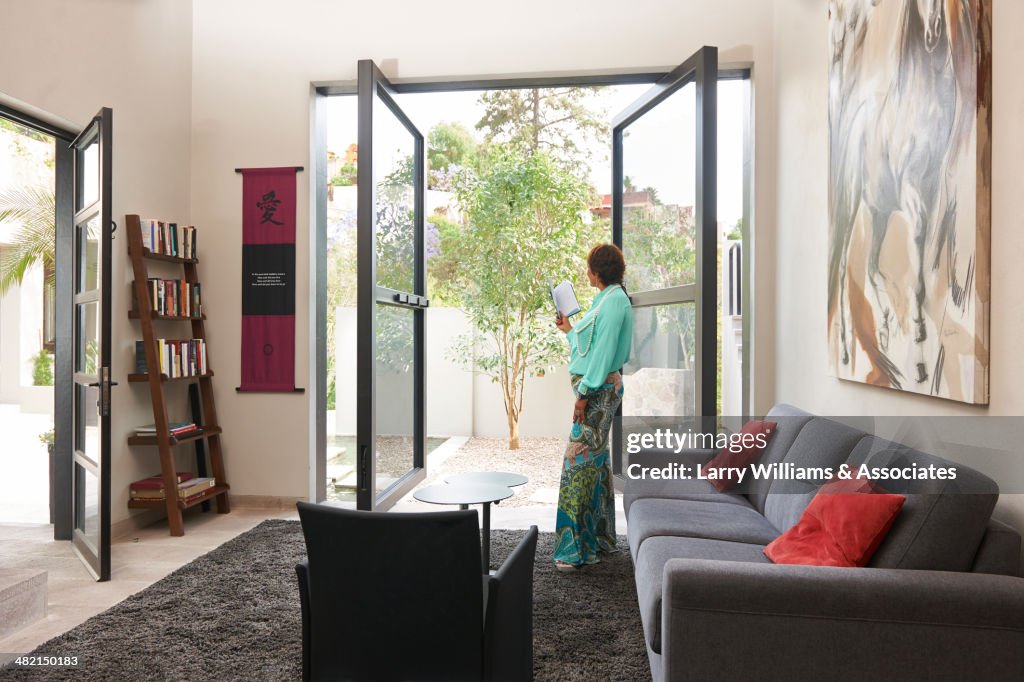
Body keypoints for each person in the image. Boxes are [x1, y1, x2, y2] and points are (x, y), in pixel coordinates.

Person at [552, 243, 633, 571]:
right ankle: (598, 539)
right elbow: (589, 345)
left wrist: (583, 394)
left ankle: (573, 551)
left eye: (589, 268)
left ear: (598, 271)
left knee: (577, 464)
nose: (586, 273)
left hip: (597, 393)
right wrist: (569, 331)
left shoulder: (614, 302)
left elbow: (602, 356)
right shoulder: (605, 299)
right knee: (596, 463)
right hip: (596, 389)